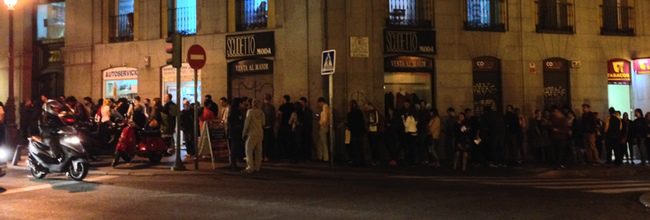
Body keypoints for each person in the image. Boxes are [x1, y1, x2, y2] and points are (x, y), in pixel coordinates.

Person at [242, 99, 266, 174]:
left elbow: (247, 123)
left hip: (252, 133)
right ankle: (257, 167)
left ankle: (250, 167)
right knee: (258, 150)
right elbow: (263, 123)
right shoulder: (261, 112)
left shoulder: (250, 111)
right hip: (260, 133)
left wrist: (244, 133)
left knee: (248, 150)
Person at [227, 98, 245, 170]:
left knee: (234, 146)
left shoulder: (232, 110)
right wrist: (238, 125)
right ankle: (233, 164)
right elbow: (233, 120)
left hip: (233, 131)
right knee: (235, 146)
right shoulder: (236, 111)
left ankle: (233, 163)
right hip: (236, 131)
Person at [346, 100, 365, 166]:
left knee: (354, 146)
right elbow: (362, 122)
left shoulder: (351, 113)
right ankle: (361, 160)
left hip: (354, 131)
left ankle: (355, 160)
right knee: (360, 146)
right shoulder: (359, 112)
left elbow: (349, 122)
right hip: (359, 131)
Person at [401, 100, 418, 165]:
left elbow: (406, 125)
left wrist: (403, 118)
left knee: (409, 147)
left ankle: (410, 161)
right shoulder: (415, 117)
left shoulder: (408, 117)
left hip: (409, 133)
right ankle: (414, 161)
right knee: (413, 147)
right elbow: (416, 124)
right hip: (415, 132)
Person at [277, 95, 293, 159]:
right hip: (290, 125)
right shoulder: (292, 106)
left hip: (283, 125)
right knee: (289, 141)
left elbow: (279, 115)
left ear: (284, 99)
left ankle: (283, 155)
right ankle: (289, 155)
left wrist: (279, 123)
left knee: (282, 140)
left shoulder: (282, 106)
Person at [261, 94, 276, 161]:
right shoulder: (272, 107)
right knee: (269, 142)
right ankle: (267, 156)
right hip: (269, 127)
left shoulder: (261, 107)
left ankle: (263, 155)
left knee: (263, 142)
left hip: (262, 127)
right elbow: (273, 118)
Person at [316, 97, 330, 162]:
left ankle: (325, 158)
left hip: (323, 126)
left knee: (323, 142)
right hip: (323, 126)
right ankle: (321, 156)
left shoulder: (326, 108)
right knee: (321, 142)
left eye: (319, 103)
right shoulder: (324, 108)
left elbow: (326, 117)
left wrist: (324, 124)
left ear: (321, 102)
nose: (318, 105)